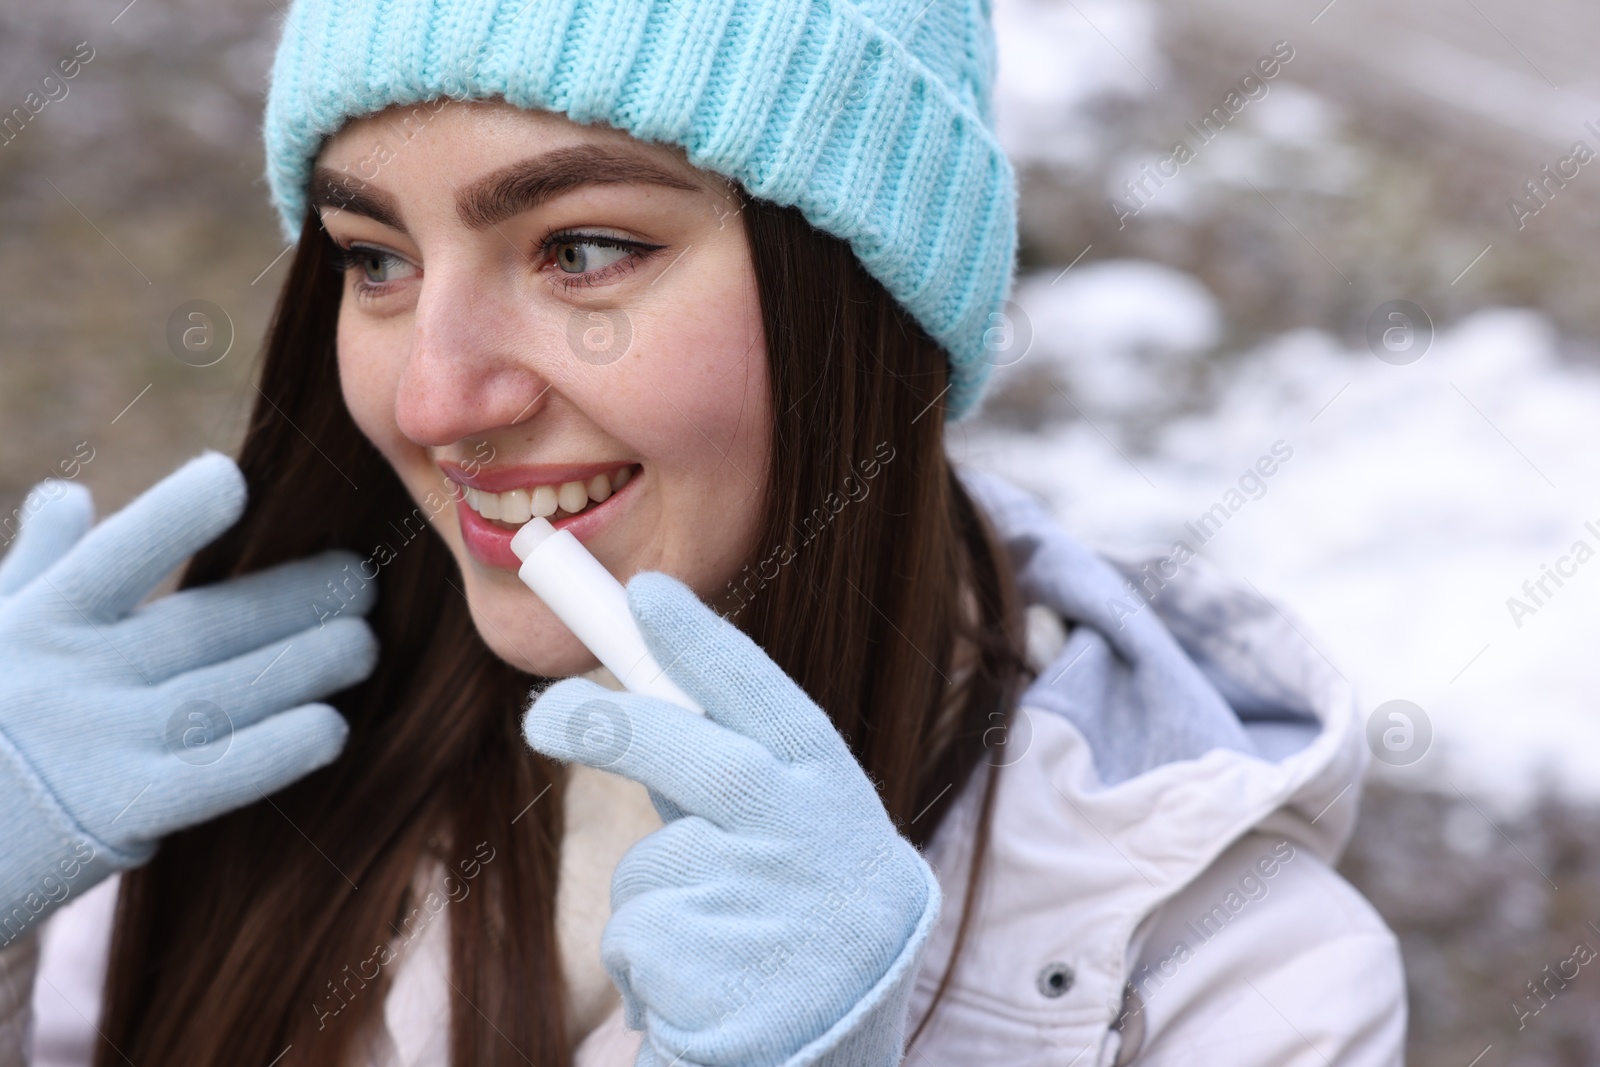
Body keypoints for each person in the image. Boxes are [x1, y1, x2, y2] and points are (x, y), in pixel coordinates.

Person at [0, 0, 1406, 1064]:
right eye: (377, 259)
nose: (436, 398)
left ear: (863, 293)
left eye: (583, 250)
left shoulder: (1238, 984)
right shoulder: (244, 774)